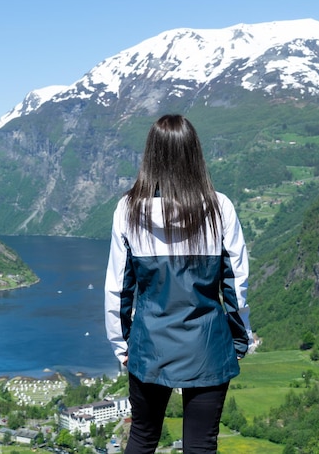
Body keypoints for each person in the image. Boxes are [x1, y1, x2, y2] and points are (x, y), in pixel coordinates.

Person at [104, 114, 253, 454]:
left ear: (150, 156)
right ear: (194, 154)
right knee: (201, 444)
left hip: (149, 346)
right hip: (209, 347)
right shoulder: (220, 208)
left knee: (142, 438)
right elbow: (236, 283)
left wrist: (121, 345)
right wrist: (239, 339)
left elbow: (117, 288)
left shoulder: (128, 209)